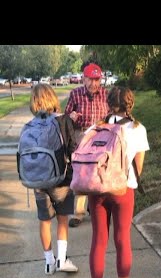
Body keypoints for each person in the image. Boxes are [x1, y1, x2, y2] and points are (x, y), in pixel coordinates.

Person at [87, 86, 149, 278]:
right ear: (130, 104)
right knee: (122, 240)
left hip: (98, 191)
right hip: (123, 190)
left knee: (98, 240)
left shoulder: (97, 127)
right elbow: (138, 168)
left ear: (108, 104)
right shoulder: (138, 129)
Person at [29, 84, 79, 274]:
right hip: (61, 179)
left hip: (38, 180)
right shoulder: (62, 120)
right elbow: (72, 149)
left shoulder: (31, 124)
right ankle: (62, 260)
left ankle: (48, 262)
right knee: (62, 219)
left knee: (44, 220)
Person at [65, 62, 109, 228]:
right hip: (81, 135)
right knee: (82, 173)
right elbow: (66, 116)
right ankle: (78, 212)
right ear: (83, 79)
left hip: (101, 136)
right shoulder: (75, 94)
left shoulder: (106, 94)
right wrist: (72, 116)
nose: (94, 84)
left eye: (97, 80)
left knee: (100, 172)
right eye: (90, 79)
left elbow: (113, 115)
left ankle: (98, 209)